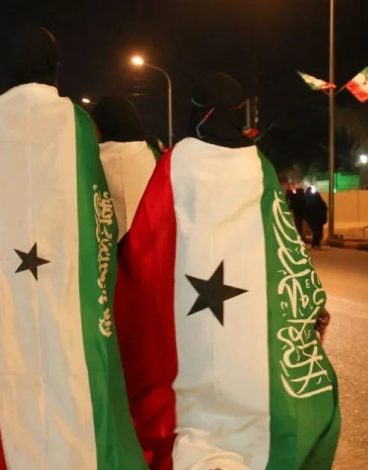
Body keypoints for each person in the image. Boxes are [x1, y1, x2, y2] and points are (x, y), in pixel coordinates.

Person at [114, 72, 340, 469]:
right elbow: (285, 246)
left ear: (198, 111)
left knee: (192, 394)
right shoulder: (258, 165)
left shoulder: (177, 162)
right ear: (237, 112)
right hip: (248, 319)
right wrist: (310, 303)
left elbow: (146, 244)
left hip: (188, 319)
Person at [0, 25, 146, 469]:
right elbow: (96, 208)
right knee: (66, 366)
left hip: (3, 280)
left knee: (11, 364)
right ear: (54, 66)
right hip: (65, 280)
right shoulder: (75, 121)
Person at [92, 96, 157, 240]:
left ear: (102, 125)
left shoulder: (92, 159)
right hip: (149, 241)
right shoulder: (152, 155)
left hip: (107, 245)